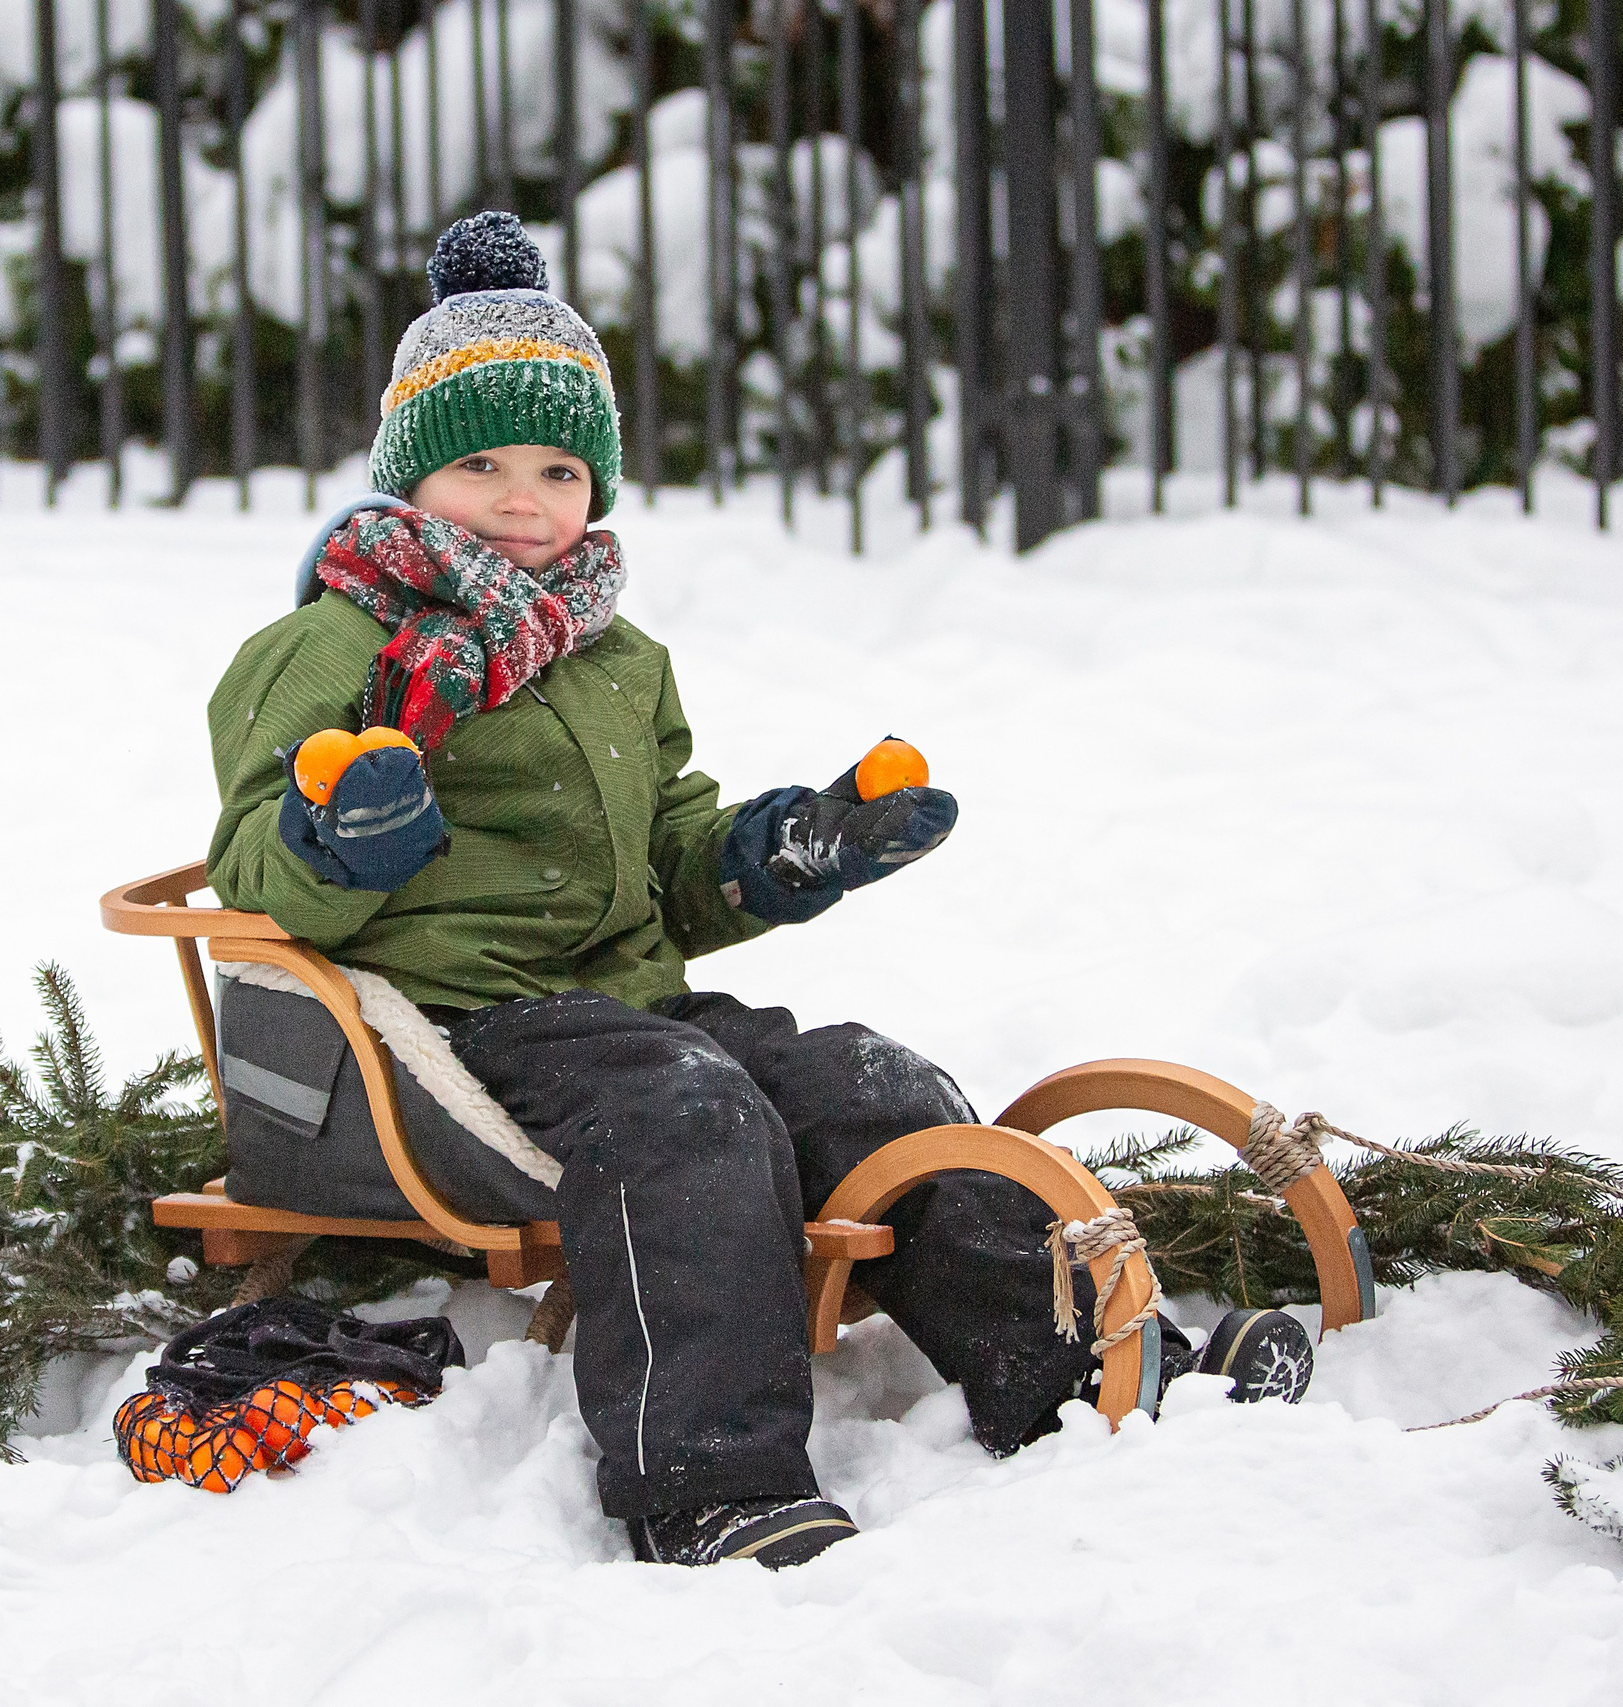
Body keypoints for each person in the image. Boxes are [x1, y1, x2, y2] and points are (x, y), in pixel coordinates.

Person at [204, 213, 1309, 1569]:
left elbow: (668, 860)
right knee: (689, 1115)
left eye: (558, 465)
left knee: (868, 1083)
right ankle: (703, 1484)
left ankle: (1084, 1371)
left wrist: (792, 851)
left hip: (626, 1007)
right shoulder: (329, 645)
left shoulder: (613, 656)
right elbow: (252, 871)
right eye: (479, 461)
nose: (522, 496)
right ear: (410, 474)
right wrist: (338, 838)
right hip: (443, 1034)